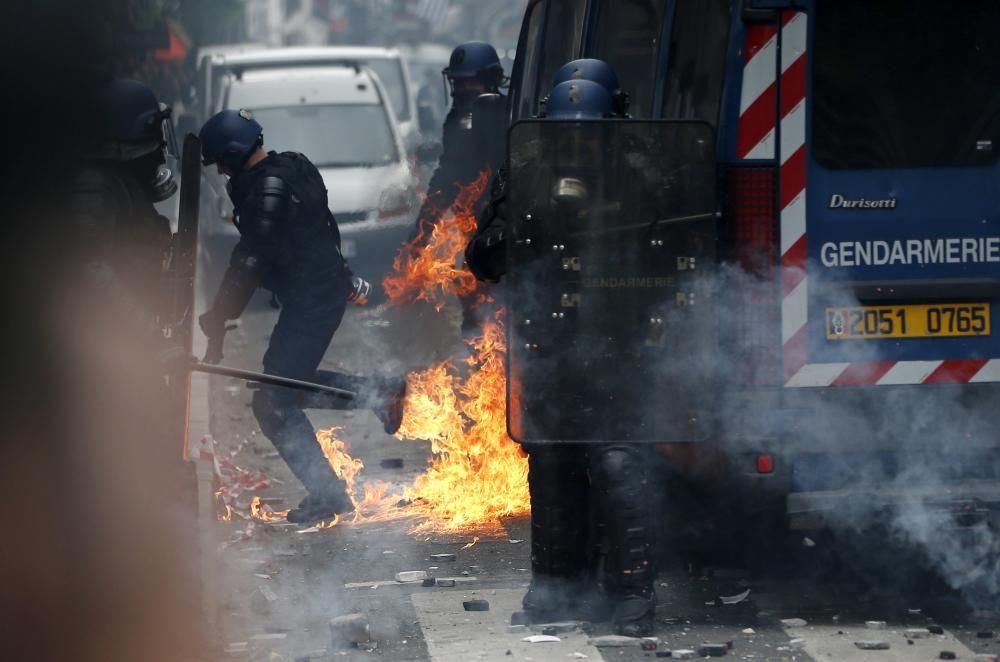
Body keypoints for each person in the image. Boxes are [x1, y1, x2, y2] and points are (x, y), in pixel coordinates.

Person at [465, 66, 658, 637]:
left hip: (621, 339)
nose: (575, 146)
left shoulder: (641, 174)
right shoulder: (524, 173)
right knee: (552, 460)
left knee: (619, 461)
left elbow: (677, 246)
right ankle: (557, 588)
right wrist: (513, 233)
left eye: (586, 135)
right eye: (565, 134)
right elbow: (482, 257)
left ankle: (631, 592)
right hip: (550, 340)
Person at [197, 109, 406, 524]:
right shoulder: (292, 166)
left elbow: (249, 260)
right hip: (315, 294)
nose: (222, 172)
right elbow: (320, 230)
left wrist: (220, 313)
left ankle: (328, 492)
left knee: (273, 401)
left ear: (235, 155)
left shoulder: (266, 190)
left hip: (312, 300)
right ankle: (377, 394)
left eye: (223, 163)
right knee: (284, 385)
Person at [414, 41, 508, 334]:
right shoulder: (454, 120)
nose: (463, 90)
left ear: (490, 79)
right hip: (471, 228)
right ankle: (480, 359)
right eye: (458, 82)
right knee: (472, 300)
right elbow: (447, 173)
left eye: (471, 83)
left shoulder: (506, 115)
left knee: (504, 301)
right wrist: (422, 228)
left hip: (502, 224)